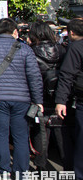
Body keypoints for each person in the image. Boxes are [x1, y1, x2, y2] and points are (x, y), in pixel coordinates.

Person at [0, 18, 43, 180]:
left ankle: (4, 169)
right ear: (15, 31)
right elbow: (34, 76)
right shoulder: (25, 49)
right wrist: (37, 100)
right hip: (22, 98)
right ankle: (21, 173)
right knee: (21, 136)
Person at [28, 21, 67, 171]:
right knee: (62, 132)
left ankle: (41, 166)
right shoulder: (62, 49)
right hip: (60, 96)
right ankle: (68, 167)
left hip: (39, 96)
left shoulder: (30, 51)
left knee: (40, 132)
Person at [55, 18, 83, 180]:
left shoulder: (75, 48)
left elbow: (66, 75)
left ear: (71, 33)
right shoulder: (76, 47)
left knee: (80, 147)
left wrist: (60, 101)